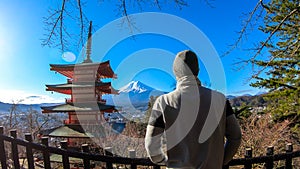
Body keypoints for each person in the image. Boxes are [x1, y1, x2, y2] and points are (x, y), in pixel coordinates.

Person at [145, 50, 241, 169]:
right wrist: (222, 161)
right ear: (197, 71)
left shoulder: (163, 102)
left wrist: (164, 161)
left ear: (176, 72)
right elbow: (236, 136)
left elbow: (151, 145)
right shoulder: (220, 99)